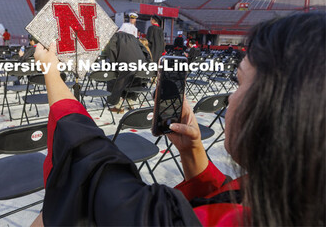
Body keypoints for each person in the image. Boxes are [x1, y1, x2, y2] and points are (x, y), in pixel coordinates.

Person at [32, 12, 326, 226]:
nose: (229, 99)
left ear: (281, 110)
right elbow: (224, 197)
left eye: (239, 83)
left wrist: (51, 74)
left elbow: (106, 193)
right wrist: (192, 151)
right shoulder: (292, 198)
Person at [103, 31, 150, 113]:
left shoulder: (114, 36)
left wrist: (113, 63)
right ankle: (130, 103)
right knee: (134, 80)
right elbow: (144, 49)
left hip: (125, 62)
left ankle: (118, 105)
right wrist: (147, 61)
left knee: (115, 80)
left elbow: (111, 49)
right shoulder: (132, 37)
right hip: (140, 62)